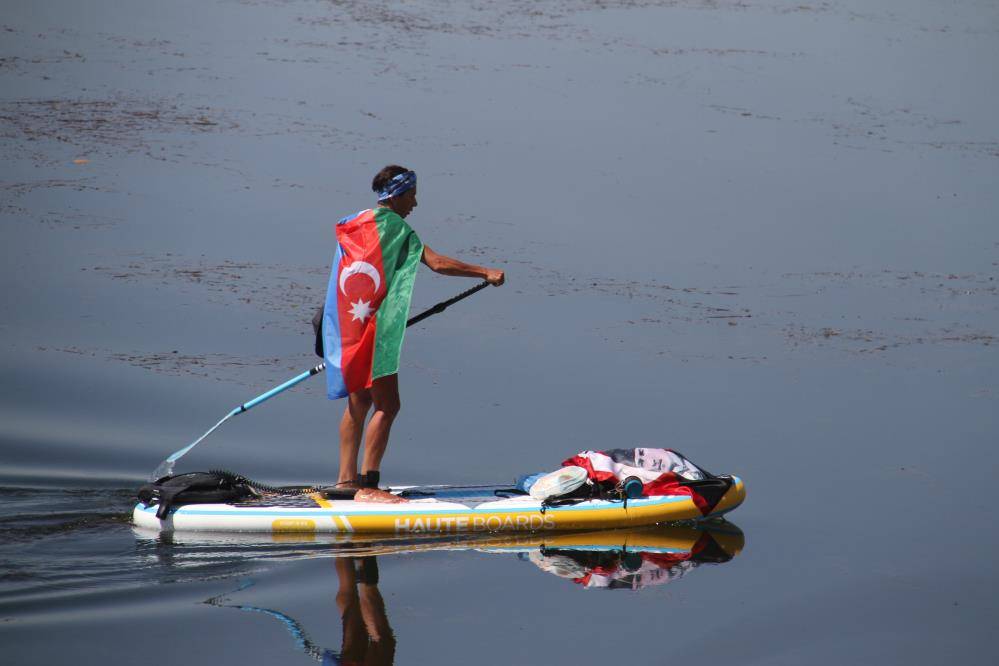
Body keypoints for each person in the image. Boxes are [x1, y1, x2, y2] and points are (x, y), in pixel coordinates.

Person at [322, 165, 504, 499]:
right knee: (388, 406)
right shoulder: (397, 229)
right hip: (376, 331)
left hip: (348, 327)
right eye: (413, 195)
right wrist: (484, 271)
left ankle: (345, 483)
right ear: (398, 195)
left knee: (358, 401)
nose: (415, 204)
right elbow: (438, 264)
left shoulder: (354, 223)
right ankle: (368, 487)